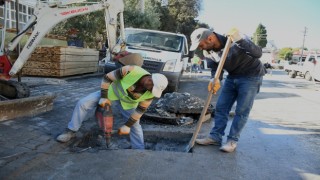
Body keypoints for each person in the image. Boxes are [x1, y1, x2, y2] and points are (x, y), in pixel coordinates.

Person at [57, 53, 168, 149]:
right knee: (83, 103)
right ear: (149, 79)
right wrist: (104, 96)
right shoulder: (131, 70)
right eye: (151, 88)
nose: (151, 91)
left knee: (135, 125)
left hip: (128, 103)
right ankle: (70, 130)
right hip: (111, 92)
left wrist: (127, 126)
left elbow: (139, 112)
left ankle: (138, 149)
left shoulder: (150, 94)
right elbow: (107, 78)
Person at [189, 28, 266, 153]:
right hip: (232, 76)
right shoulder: (208, 52)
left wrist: (240, 39)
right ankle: (215, 137)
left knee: (241, 111)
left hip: (251, 76)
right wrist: (215, 79)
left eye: (201, 45)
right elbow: (215, 68)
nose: (201, 48)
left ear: (210, 38)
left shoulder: (235, 39)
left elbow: (258, 53)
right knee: (221, 107)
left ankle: (232, 140)